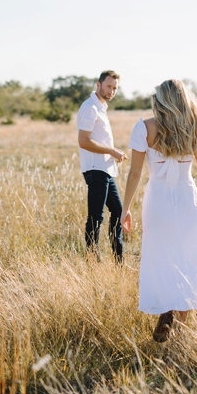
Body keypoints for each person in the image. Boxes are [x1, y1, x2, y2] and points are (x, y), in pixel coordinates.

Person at [121, 79, 197, 342]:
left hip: (158, 201)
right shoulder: (196, 126)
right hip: (188, 199)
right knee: (189, 258)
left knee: (160, 257)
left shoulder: (144, 128)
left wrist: (125, 209)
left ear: (160, 100)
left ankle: (165, 310)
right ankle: (181, 329)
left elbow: (134, 174)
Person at [77, 70, 127, 262]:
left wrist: (111, 153)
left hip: (105, 170)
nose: (111, 91)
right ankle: (93, 262)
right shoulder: (90, 107)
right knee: (96, 217)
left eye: (115, 88)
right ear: (98, 85)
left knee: (118, 211)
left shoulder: (100, 108)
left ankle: (118, 260)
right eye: (108, 86)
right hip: (95, 169)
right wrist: (112, 151)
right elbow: (84, 141)